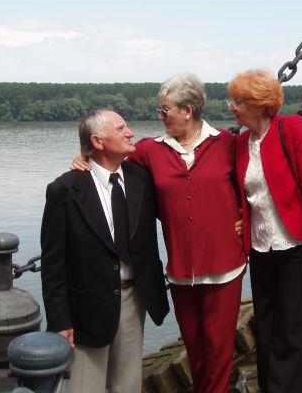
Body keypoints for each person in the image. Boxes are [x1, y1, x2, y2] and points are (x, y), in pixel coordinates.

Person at [71, 74, 247, 393]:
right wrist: (84, 157)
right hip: (180, 271)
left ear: (188, 111)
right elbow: (109, 157)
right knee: (195, 351)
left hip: (225, 266)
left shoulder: (227, 144)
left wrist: (243, 218)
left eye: (165, 110)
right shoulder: (150, 150)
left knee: (219, 352)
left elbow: (254, 186)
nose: (161, 117)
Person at [40, 109, 169, 393]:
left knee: (128, 386)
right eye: (120, 129)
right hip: (86, 308)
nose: (130, 133)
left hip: (135, 299)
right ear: (98, 141)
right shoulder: (64, 190)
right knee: (85, 388)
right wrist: (60, 321)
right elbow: (53, 265)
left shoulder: (142, 179)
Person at [227, 69, 302, 393]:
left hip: (297, 247)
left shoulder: (292, 129)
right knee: (267, 325)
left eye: (239, 101)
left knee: (293, 330)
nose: (232, 107)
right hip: (261, 248)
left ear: (260, 104)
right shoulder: (240, 143)